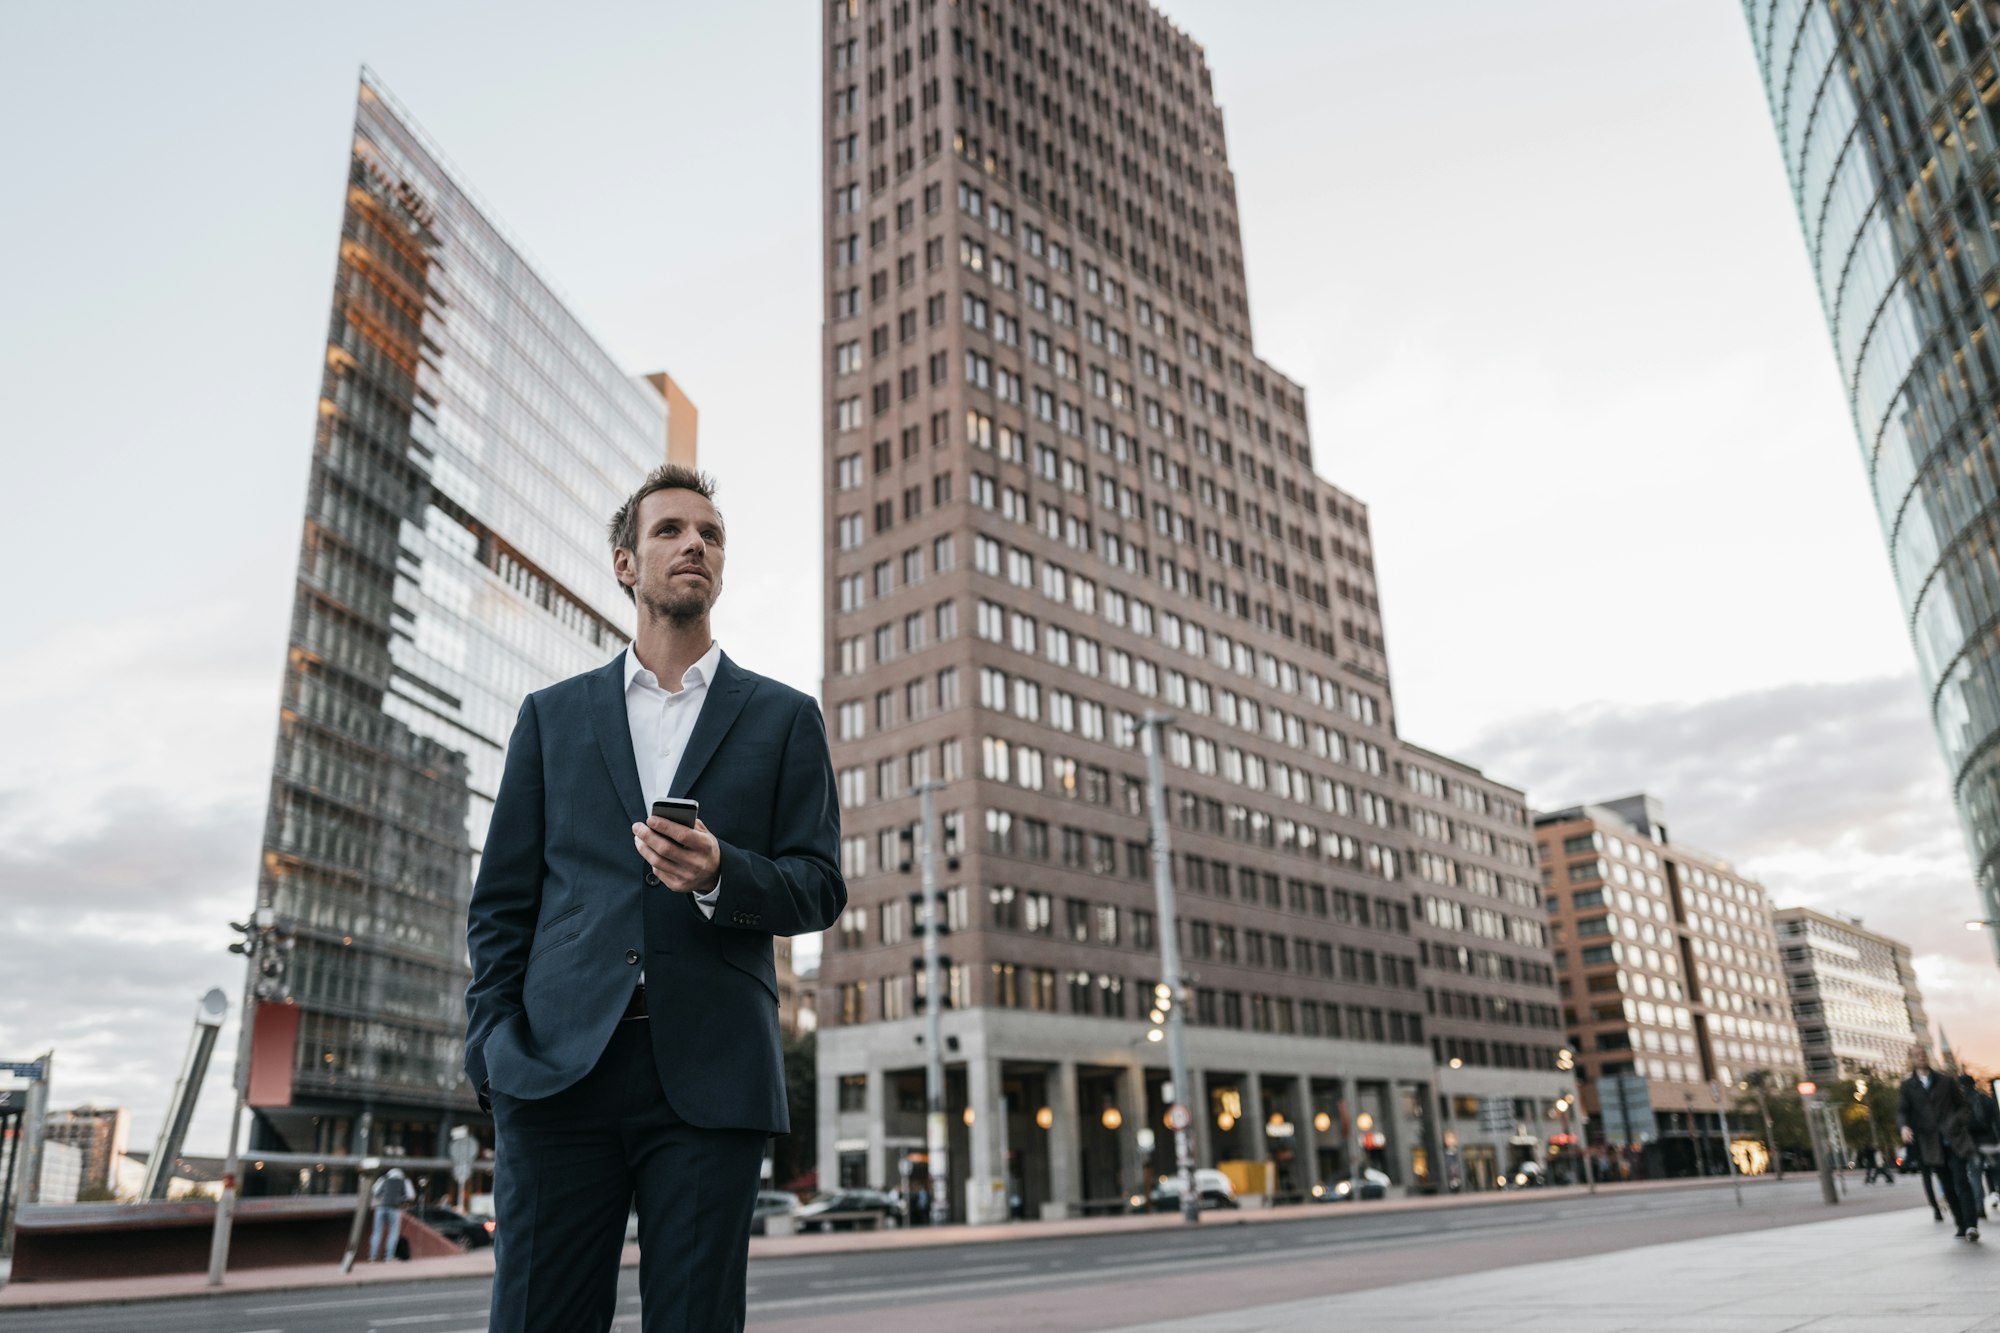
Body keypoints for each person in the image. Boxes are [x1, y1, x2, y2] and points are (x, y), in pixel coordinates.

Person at [465, 465, 846, 1331]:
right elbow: (501, 905)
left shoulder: (785, 717)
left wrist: (721, 875)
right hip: (556, 1071)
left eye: (711, 534)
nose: (695, 545)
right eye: (670, 530)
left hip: (712, 1073)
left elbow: (820, 885)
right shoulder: (551, 717)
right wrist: (492, 1052)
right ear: (626, 563)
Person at [1898, 1046, 1979, 1239]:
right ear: (1911, 1059)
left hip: (1954, 1141)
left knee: (1962, 1181)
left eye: (1923, 1054)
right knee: (1947, 1186)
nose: (1921, 1057)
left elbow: (1964, 1107)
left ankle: (1971, 1225)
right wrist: (1903, 1127)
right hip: (1931, 1144)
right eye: (1917, 1055)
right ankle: (1961, 1224)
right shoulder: (1908, 1086)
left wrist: (1955, 1122)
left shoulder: (1946, 1081)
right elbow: (1902, 1111)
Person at [368, 1166, 412, 1262]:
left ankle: (372, 1257)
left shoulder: (383, 1179)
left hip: (380, 1207)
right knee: (393, 1233)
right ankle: (389, 1257)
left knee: (377, 1232)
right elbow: (411, 1195)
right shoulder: (404, 1180)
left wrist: (380, 1198)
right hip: (394, 1208)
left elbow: (374, 1191)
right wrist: (401, 1198)